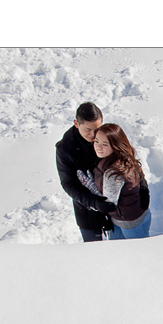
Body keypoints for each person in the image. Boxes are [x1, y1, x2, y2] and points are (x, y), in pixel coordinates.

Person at [56, 102, 116, 242]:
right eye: (88, 129)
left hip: (115, 208)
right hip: (87, 213)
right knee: (94, 255)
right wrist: (94, 203)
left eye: (97, 129)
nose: (93, 134)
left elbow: (127, 162)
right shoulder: (65, 149)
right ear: (76, 124)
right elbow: (68, 184)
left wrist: (142, 187)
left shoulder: (108, 137)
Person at [86, 123, 151, 239]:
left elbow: (108, 203)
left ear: (115, 146)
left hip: (131, 224)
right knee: (118, 253)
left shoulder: (114, 173)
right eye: (96, 141)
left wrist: (88, 184)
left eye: (104, 144)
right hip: (123, 218)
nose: (98, 147)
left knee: (138, 254)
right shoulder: (123, 157)